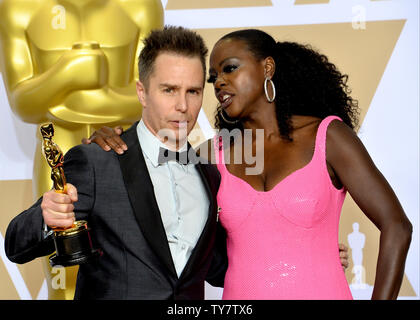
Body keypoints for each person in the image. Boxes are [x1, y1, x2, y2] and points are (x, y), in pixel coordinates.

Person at [89, 29, 412, 300]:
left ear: (267, 67)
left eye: (230, 69)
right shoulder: (211, 154)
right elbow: (147, 172)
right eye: (214, 77)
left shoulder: (329, 136)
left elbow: (397, 227)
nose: (219, 83)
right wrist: (108, 140)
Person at [4, 26, 227, 299]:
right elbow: (15, 245)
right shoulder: (97, 161)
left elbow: (217, 269)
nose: (183, 105)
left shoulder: (211, 176)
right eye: (169, 90)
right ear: (142, 93)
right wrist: (47, 218)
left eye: (192, 91)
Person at [0, 0, 163, 299]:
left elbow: (153, 97)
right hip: (59, 150)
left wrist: (69, 99)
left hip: (124, 152)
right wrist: (68, 73)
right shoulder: (17, 8)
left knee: (133, 267)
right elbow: (22, 102)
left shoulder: (141, 6)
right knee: (64, 272)